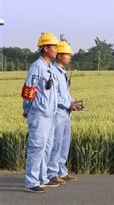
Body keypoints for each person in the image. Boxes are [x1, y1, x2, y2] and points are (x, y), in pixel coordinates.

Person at [22, 32, 60, 193]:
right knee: (36, 147)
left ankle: (42, 177)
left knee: (46, 147)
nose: (57, 50)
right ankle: (31, 182)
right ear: (45, 48)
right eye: (54, 46)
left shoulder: (50, 67)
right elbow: (28, 90)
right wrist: (27, 109)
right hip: (39, 114)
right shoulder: (36, 67)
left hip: (50, 115)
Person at [47, 41, 79, 184]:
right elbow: (54, 94)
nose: (70, 57)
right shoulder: (52, 71)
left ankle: (61, 171)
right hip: (58, 113)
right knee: (56, 143)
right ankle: (52, 173)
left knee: (65, 143)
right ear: (59, 56)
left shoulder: (63, 72)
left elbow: (65, 93)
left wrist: (73, 102)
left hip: (66, 113)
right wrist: (68, 104)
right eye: (67, 54)